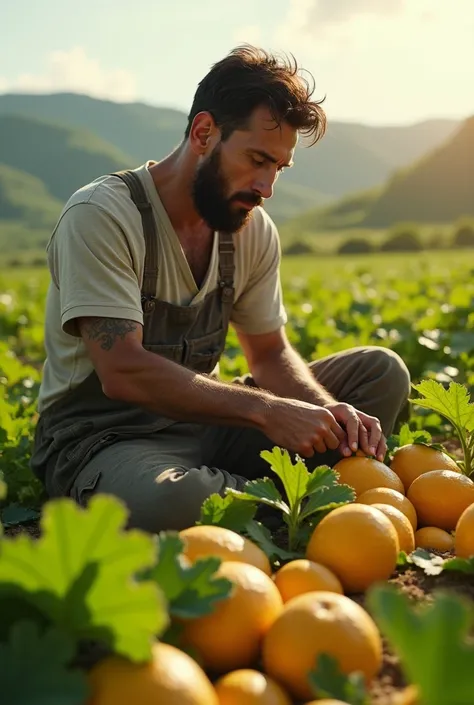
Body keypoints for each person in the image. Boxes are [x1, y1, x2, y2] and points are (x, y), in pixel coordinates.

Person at [30, 45, 411, 533]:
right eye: (257, 159)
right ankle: (282, 506)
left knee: (380, 373)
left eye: (279, 167)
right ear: (204, 132)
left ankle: (255, 505)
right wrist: (266, 410)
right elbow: (122, 370)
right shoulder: (102, 215)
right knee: (178, 500)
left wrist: (321, 408)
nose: (267, 186)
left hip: (205, 424)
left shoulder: (250, 229)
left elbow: (270, 353)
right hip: (103, 440)